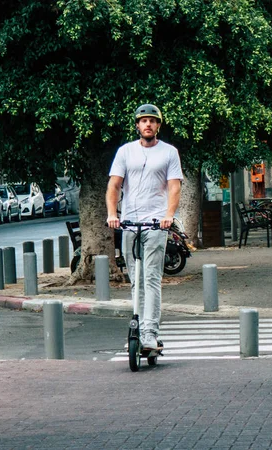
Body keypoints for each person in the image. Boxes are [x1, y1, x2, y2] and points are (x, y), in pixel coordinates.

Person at [106, 104, 183, 350]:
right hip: (130, 224)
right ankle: (137, 327)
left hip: (155, 224)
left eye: (152, 121)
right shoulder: (125, 152)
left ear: (158, 125)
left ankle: (150, 332)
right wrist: (112, 214)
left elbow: (174, 187)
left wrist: (168, 216)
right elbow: (114, 185)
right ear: (137, 126)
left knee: (150, 278)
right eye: (143, 121)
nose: (147, 124)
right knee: (135, 280)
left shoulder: (169, 152)